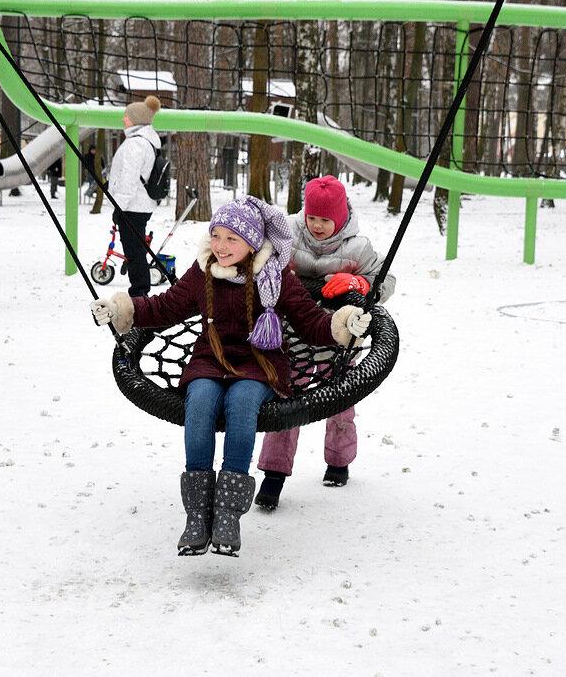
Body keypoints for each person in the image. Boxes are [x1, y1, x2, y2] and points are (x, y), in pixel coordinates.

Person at [90, 196, 372, 557]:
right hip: (210, 360)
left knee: (241, 407)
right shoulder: (203, 270)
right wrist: (120, 309)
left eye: (232, 239)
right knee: (200, 405)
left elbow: (310, 321)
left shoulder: (276, 275)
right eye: (217, 236)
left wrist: (342, 324)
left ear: (252, 242)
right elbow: (165, 306)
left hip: (259, 364)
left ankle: (227, 513)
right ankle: (197, 515)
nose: (221, 247)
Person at [254, 175, 396, 510]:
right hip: (295, 333)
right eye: (312, 217)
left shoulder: (357, 247)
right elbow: (260, 258)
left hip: (339, 337)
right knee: (288, 399)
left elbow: (385, 281)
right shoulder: (287, 233)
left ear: (340, 217)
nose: (317, 226)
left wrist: (359, 283)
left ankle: (338, 461)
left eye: (325, 219)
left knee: (341, 400)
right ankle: (274, 475)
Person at [105, 96, 161, 298]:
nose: (123, 119)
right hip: (139, 204)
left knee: (134, 251)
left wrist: (117, 208)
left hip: (132, 206)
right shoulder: (146, 141)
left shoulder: (135, 145)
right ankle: (139, 291)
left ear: (135, 119)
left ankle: (139, 294)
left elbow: (128, 180)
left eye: (126, 116)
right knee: (136, 250)